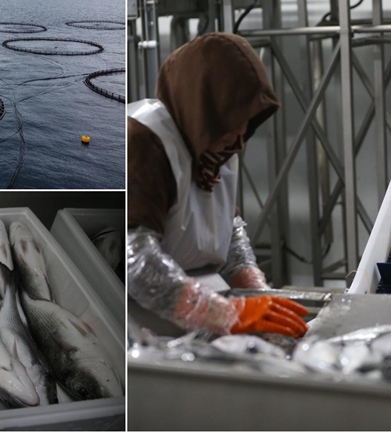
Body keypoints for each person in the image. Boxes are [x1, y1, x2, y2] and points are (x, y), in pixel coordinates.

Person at [127, 32, 308, 337]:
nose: (240, 135)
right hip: (138, 325)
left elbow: (227, 231)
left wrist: (255, 291)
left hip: (197, 316)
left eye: (247, 121)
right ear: (203, 105)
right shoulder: (144, 142)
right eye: (232, 117)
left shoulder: (215, 146)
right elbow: (137, 263)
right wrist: (224, 314)